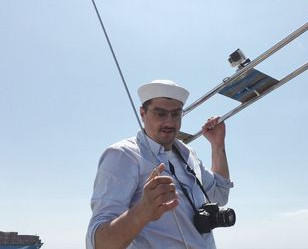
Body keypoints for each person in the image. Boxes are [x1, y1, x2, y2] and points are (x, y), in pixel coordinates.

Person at [86, 79, 234, 249]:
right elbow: (98, 244)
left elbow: (220, 196)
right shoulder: (123, 156)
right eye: (160, 113)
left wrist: (217, 146)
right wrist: (141, 212)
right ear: (142, 113)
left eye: (176, 114)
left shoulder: (188, 154)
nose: (169, 122)